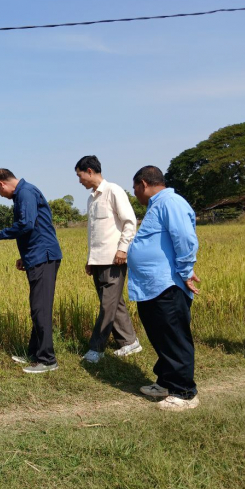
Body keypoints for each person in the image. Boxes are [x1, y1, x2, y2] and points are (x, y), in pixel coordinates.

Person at [127, 166, 200, 411]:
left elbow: (185, 238)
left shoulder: (171, 202)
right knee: (161, 337)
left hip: (167, 285)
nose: (135, 193)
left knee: (174, 337)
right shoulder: (157, 205)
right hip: (152, 286)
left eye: (135, 188)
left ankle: (185, 392)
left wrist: (186, 270)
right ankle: (166, 383)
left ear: (143, 184)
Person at [0, 169, 63, 374]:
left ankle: (47, 360)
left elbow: (26, 225)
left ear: (2, 184)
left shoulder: (25, 192)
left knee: (40, 308)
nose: (1, 196)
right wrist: (25, 257)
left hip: (43, 256)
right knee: (38, 307)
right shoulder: (23, 193)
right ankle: (35, 353)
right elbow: (35, 227)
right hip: (36, 256)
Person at [75, 155, 141, 363]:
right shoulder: (91, 199)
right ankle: (130, 342)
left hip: (114, 260)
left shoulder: (114, 191)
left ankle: (96, 348)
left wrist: (123, 249)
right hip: (98, 260)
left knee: (107, 305)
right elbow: (94, 233)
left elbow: (130, 222)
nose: (79, 181)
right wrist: (90, 259)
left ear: (90, 171)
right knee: (114, 303)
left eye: (80, 176)